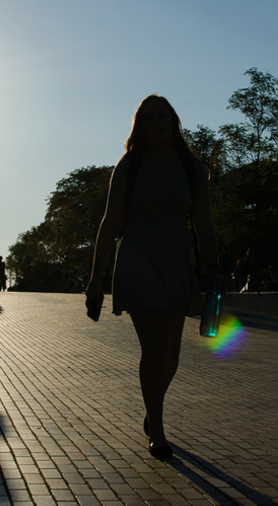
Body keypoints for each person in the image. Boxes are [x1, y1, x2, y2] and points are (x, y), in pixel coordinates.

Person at [85, 94, 220, 458]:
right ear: (140, 127)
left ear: (174, 120)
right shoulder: (130, 166)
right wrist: (96, 277)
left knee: (172, 355)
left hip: (177, 258)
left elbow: (203, 221)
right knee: (155, 346)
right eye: (149, 118)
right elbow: (111, 221)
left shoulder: (192, 168)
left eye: (163, 115)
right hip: (138, 254)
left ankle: (152, 408)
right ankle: (157, 432)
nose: (157, 122)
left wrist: (212, 266)